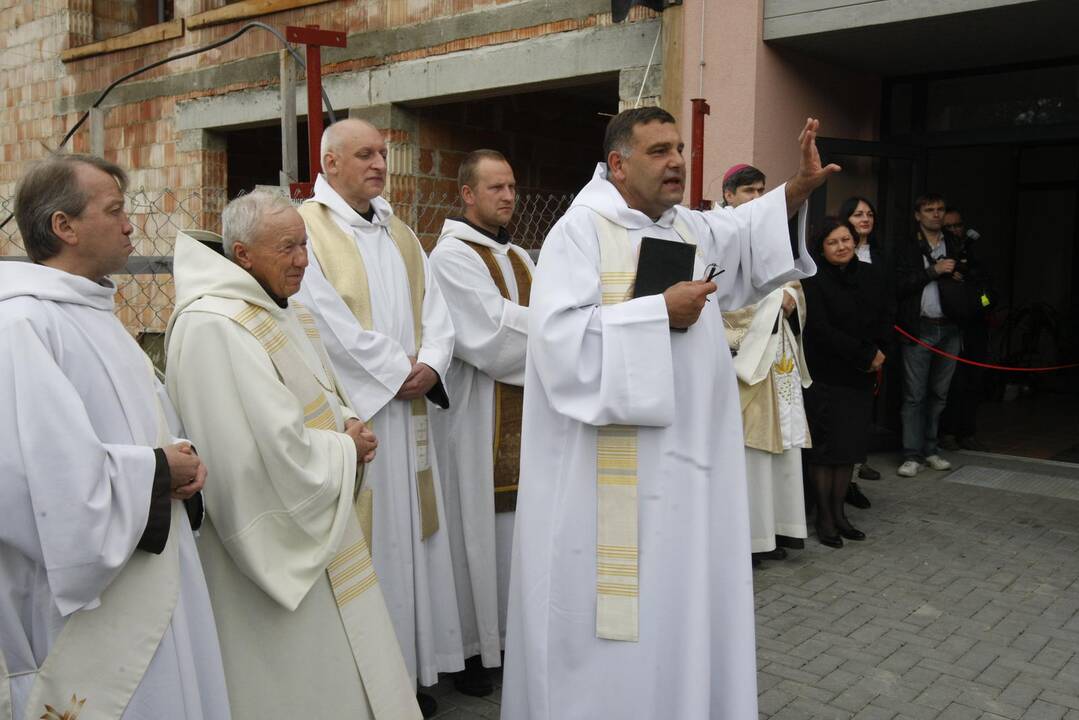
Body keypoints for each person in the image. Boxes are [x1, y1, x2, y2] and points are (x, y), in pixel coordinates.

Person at [501, 107, 832, 719]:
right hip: (608, 477)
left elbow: (748, 231)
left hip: (688, 467)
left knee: (679, 595)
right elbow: (555, 345)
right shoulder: (578, 232)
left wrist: (801, 187)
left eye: (679, 148)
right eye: (659, 151)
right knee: (614, 605)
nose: (677, 161)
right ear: (619, 164)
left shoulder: (690, 228)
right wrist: (657, 313)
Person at [165, 191, 421, 720]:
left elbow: (323, 394)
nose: (303, 260)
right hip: (275, 550)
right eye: (288, 247)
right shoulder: (216, 324)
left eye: (304, 244)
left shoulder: (287, 312)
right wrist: (345, 448)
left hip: (323, 530)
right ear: (242, 255)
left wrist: (348, 418)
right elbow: (255, 457)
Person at [0, 153, 228, 719]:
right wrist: (155, 471)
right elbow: (33, 480)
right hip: (86, 608)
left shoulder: (94, 311)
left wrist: (178, 459)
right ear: (64, 226)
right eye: (115, 210)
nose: (131, 225)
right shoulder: (22, 324)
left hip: (149, 561)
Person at [293, 118, 463, 716]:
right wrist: (397, 371)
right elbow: (324, 322)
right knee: (373, 546)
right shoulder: (307, 230)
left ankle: (409, 672)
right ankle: (366, 683)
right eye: (364, 154)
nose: (379, 164)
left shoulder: (400, 231)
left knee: (412, 542)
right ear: (330, 162)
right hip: (360, 418)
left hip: (409, 413)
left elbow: (436, 308)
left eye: (383, 154)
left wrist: (435, 364)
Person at [427, 149, 535, 696]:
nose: (508, 196)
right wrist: (556, 333)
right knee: (475, 531)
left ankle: (514, 640)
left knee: (514, 536)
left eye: (512, 186)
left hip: (522, 419)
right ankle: (474, 651)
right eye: (495, 187)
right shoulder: (451, 256)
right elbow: (490, 337)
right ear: (466, 193)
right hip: (475, 421)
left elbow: (523, 324)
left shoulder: (519, 256)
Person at [720, 163, 811, 566]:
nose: (757, 199)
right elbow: (719, 300)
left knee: (781, 448)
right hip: (743, 359)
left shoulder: (770, 236)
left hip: (777, 356)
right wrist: (774, 299)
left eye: (761, 191)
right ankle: (746, 538)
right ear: (729, 195)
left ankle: (777, 531)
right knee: (748, 450)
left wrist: (790, 296)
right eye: (748, 192)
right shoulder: (718, 236)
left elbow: (791, 281)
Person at [801, 217, 892, 547]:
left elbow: (886, 316)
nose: (841, 247)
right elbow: (820, 330)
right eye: (833, 242)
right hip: (827, 375)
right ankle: (825, 518)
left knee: (848, 449)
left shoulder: (871, 276)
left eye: (846, 240)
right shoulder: (812, 280)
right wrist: (863, 354)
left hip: (861, 376)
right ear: (821, 249)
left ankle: (840, 514)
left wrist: (880, 352)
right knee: (826, 450)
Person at [894, 193, 966, 477]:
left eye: (940, 209)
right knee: (914, 395)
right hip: (919, 326)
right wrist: (933, 271)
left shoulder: (957, 243)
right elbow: (898, 285)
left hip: (950, 327)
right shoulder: (907, 246)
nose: (935, 214)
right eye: (929, 210)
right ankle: (911, 455)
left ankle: (931, 450)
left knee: (939, 394)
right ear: (917, 215)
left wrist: (962, 277)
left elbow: (977, 279)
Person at [838, 195, 895, 484]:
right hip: (845, 343)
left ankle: (860, 462)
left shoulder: (881, 255)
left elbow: (888, 300)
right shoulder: (836, 253)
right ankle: (845, 472)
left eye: (869, 214)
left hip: (873, 343)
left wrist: (881, 344)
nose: (865, 219)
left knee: (865, 406)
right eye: (858, 214)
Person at [940, 207, 989, 451]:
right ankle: (946, 433)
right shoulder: (939, 257)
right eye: (948, 227)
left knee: (973, 382)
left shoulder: (973, 255)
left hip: (975, 328)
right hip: (948, 328)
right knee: (950, 384)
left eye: (957, 225)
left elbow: (989, 291)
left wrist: (970, 281)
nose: (954, 231)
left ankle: (967, 432)